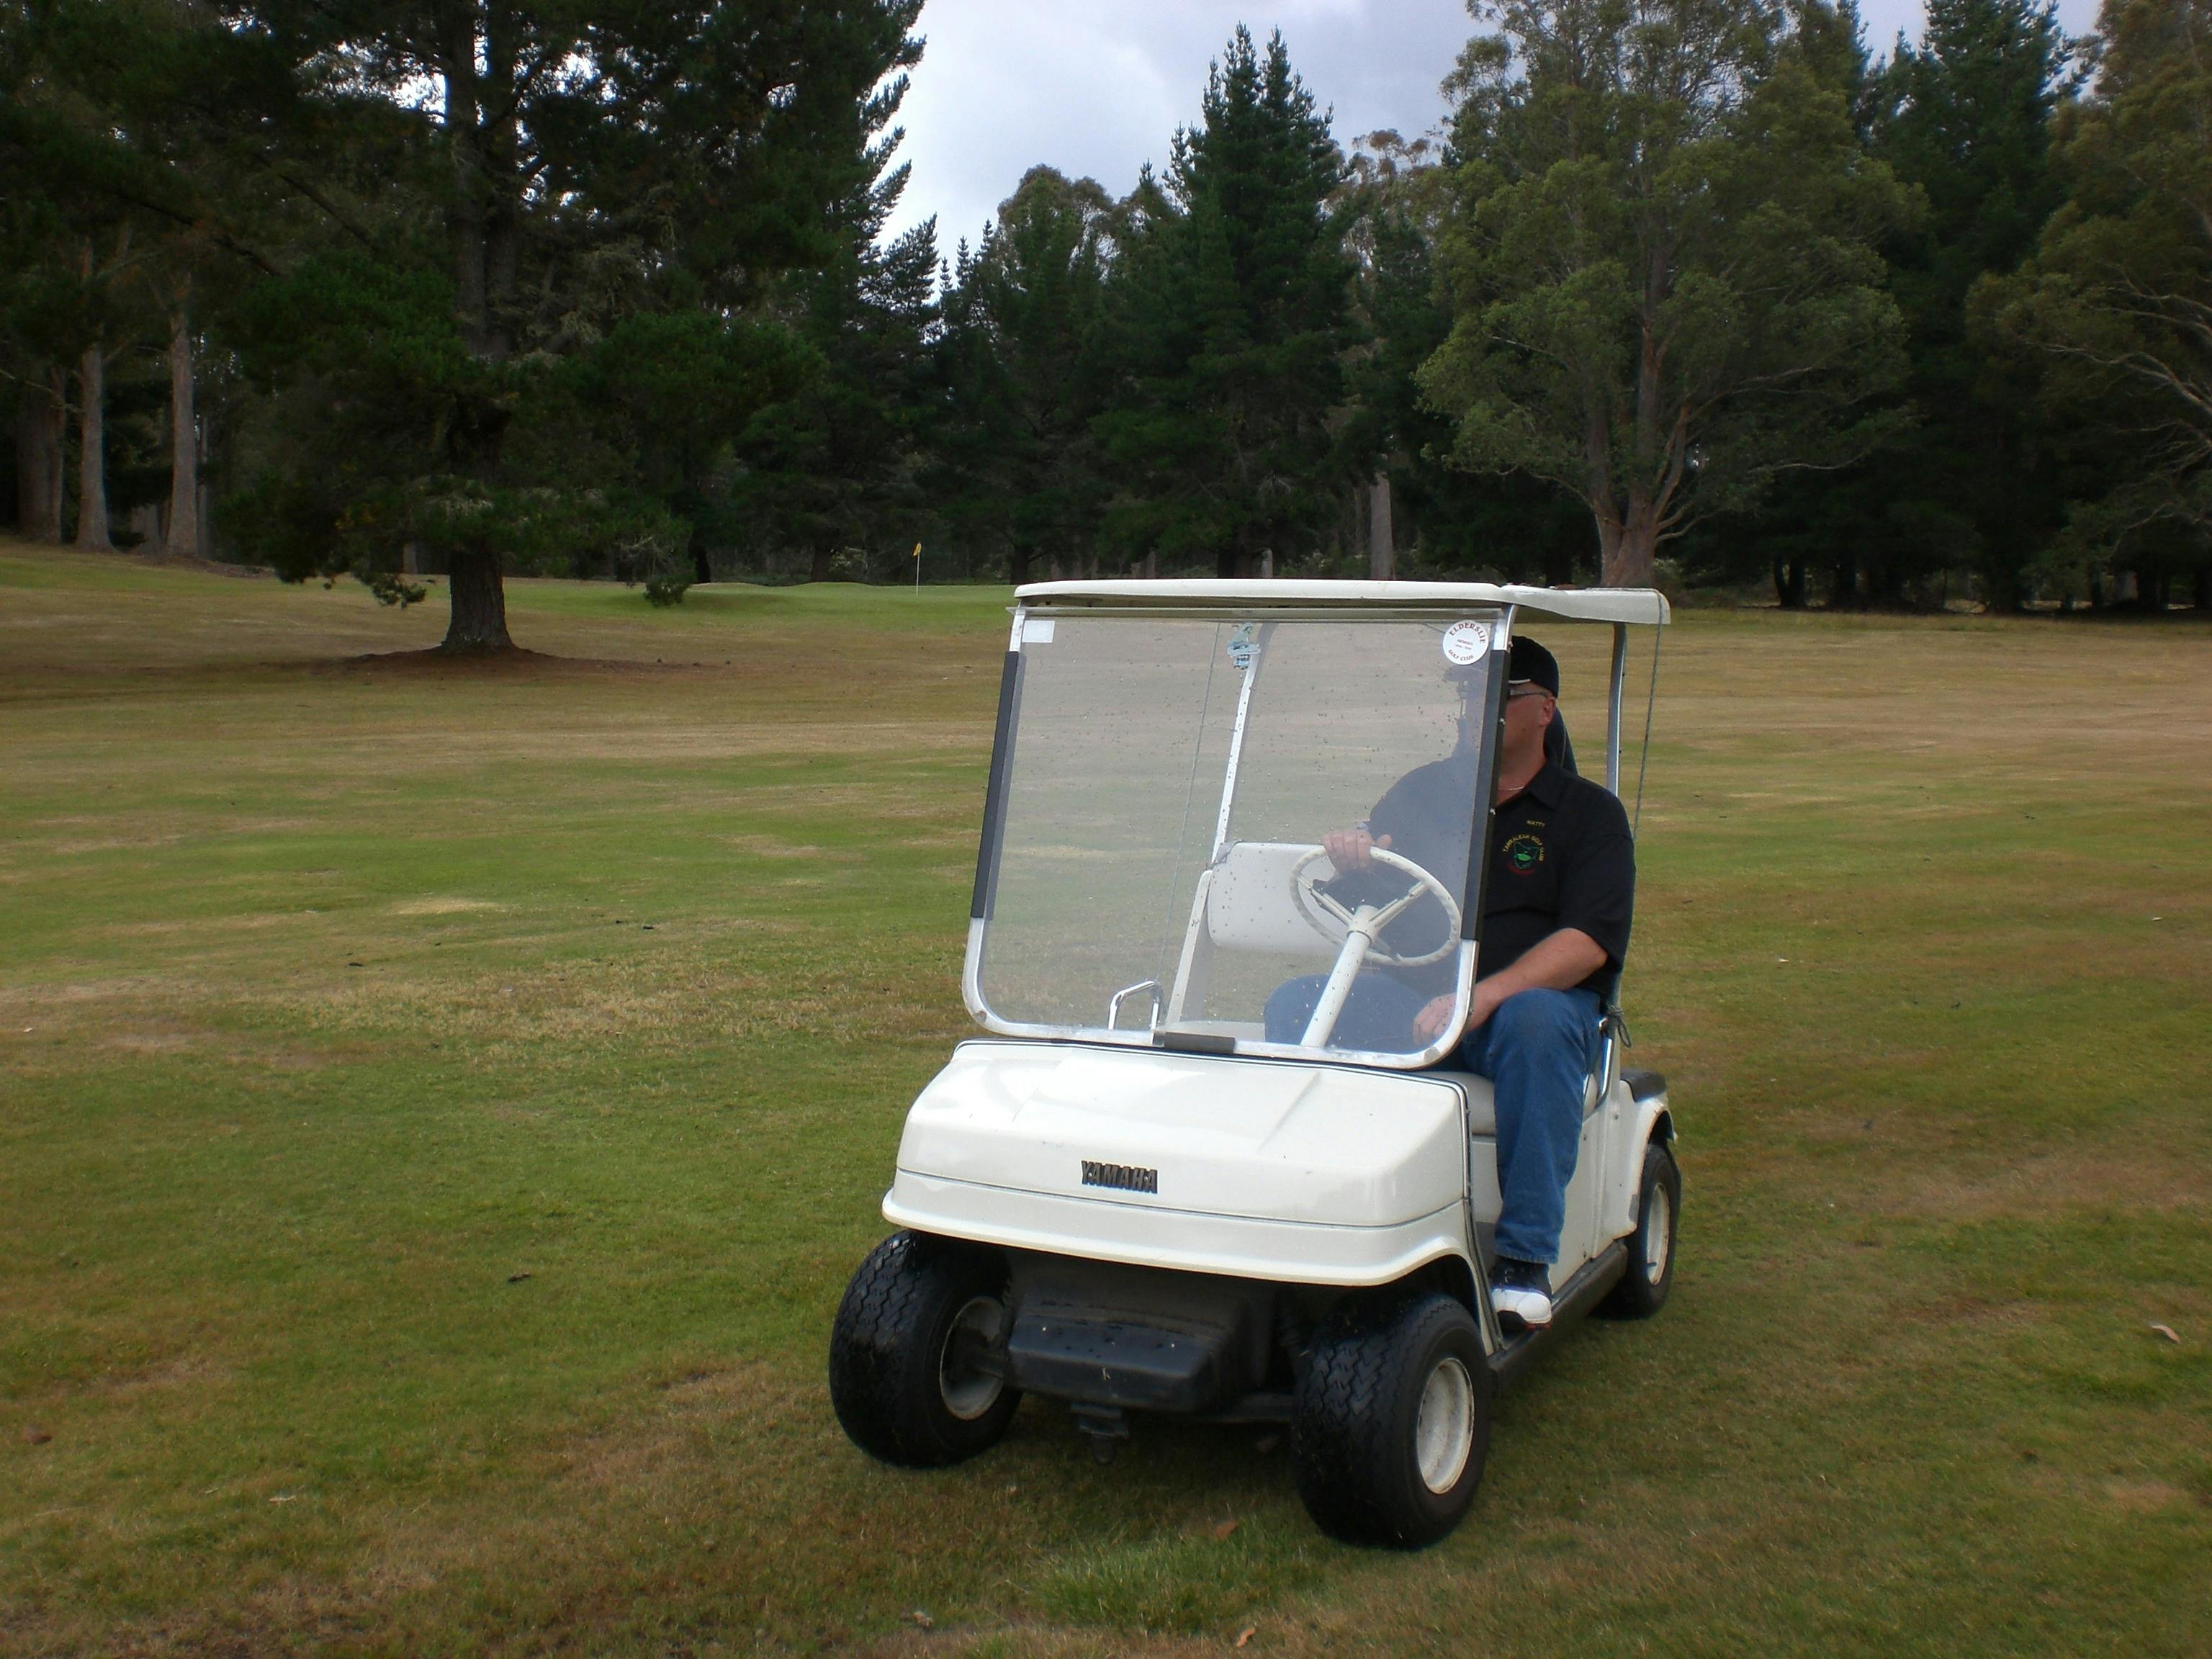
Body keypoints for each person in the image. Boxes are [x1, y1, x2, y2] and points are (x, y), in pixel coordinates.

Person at [1261, 637, 1635, 1331]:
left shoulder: (1589, 816)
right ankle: (1315, 1213)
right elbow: (1380, 872)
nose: (1476, 707)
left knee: (1539, 1024)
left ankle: (1523, 1262)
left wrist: (1480, 998)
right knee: (1296, 1005)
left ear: (1544, 710)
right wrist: (1353, 855)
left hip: (1519, 1013)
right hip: (1416, 1000)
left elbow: (1587, 943)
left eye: (1499, 693)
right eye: (1467, 692)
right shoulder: (1424, 789)